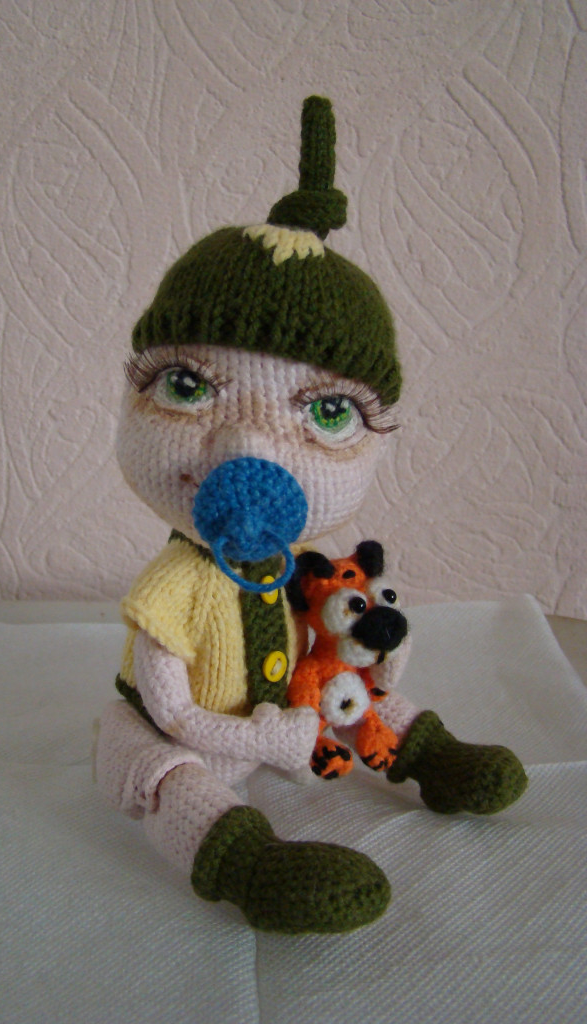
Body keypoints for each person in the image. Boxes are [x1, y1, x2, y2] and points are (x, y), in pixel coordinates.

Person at [95, 96, 527, 934]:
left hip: (291, 708)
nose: (247, 446)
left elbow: (329, 637)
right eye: (187, 386)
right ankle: (247, 865)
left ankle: (429, 756)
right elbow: (173, 710)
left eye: (328, 413)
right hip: (180, 733)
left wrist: (367, 652)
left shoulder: (302, 565)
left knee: (352, 691)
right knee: (167, 778)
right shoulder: (174, 585)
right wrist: (262, 742)